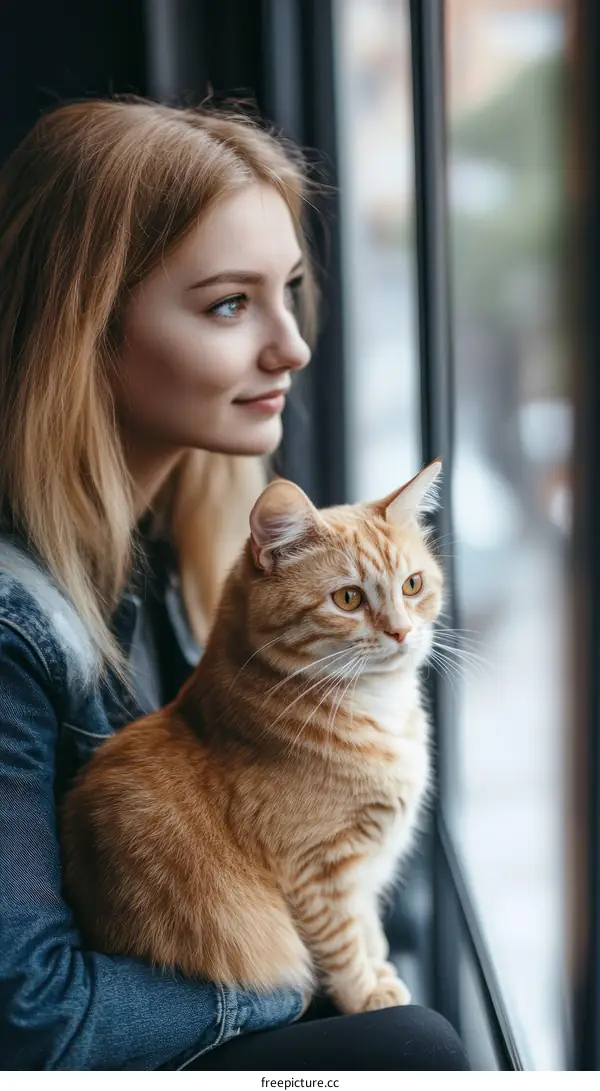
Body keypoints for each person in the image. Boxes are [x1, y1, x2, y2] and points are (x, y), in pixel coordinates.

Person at [0, 96, 470, 1072]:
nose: (294, 346)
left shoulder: (186, 548)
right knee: (411, 1042)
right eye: (228, 304)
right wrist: (294, 974)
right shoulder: (16, 628)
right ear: (89, 328)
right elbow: (41, 1022)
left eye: (288, 290)